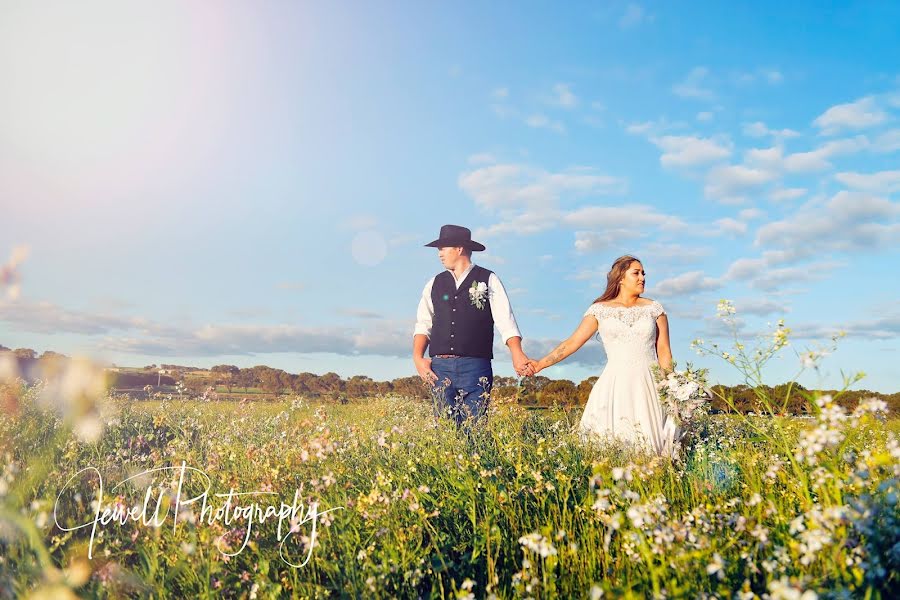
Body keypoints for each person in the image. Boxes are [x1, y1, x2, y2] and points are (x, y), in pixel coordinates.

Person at [524, 255, 676, 456]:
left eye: (643, 273)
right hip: (615, 383)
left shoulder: (654, 309)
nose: (642, 278)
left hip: (649, 382)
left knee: (651, 442)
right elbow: (572, 342)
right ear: (621, 277)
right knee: (609, 444)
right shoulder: (600, 310)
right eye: (636, 273)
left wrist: (672, 387)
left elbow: (664, 350)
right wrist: (540, 364)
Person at [413, 224, 531, 429]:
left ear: (459, 248)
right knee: (445, 431)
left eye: (443, 247)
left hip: (476, 366)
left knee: (475, 429)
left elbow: (506, 320)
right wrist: (417, 358)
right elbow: (423, 323)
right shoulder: (434, 283)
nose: (439, 253)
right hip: (440, 368)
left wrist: (517, 353)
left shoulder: (488, 279)